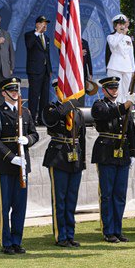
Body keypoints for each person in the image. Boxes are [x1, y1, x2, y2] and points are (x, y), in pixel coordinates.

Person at [0, 77, 39, 255]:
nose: (15, 93)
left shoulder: (25, 112)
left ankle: (17, 241)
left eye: (16, 89)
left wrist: (28, 140)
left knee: (20, 206)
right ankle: (6, 242)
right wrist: (11, 157)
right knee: (5, 206)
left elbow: (34, 134)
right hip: (5, 165)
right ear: (4, 93)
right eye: (11, 90)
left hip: (22, 167)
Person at [91, 76, 135, 243]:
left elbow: (130, 130)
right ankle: (108, 230)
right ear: (104, 90)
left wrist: (132, 153)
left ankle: (118, 229)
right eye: (111, 88)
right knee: (107, 194)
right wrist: (126, 106)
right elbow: (106, 114)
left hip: (122, 152)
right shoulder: (99, 105)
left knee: (120, 194)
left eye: (116, 88)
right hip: (106, 151)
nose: (114, 91)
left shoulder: (122, 107)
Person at [42, 80, 86, 248]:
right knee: (59, 199)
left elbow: (81, 137)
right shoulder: (51, 108)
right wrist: (68, 104)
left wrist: (82, 160)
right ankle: (61, 236)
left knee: (71, 199)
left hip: (74, 157)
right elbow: (50, 119)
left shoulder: (77, 113)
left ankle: (70, 234)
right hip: (58, 156)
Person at [24, 15, 52, 124]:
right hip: (34, 71)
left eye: (46, 23)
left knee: (45, 96)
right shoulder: (30, 35)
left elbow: (47, 54)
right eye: (42, 23)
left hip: (45, 71)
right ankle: (32, 119)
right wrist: (37, 33)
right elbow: (29, 45)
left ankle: (42, 119)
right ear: (37, 24)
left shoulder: (47, 38)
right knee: (34, 95)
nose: (45, 25)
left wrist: (49, 69)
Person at [105, 14, 135, 103]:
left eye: (123, 24)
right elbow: (114, 44)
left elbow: (131, 55)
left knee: (126, 91)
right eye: (119, 24)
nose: (122, 26)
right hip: (115, 66)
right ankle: (116, 109)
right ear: (115, 27)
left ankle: (124, 109)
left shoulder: (128, 38)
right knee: (116, 90)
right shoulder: (111, 37)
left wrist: (133, 69)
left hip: (127, 67)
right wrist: (121, 34)